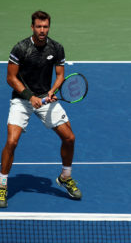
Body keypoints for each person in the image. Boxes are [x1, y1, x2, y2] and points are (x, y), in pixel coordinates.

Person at [0, 11, 82, 208]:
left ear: (49, 27)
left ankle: (65, 177)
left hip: (46, 98)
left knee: (69, 138)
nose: (42, 30)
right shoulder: (21, 48)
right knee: (12, 142)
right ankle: (2, 185)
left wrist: (52, 91)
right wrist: (30, 97)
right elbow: (11, 78)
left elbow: (61, 74)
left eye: (45, 27)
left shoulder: (56, 48)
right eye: (39, 26)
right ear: (32, 27)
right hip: (22, 100)